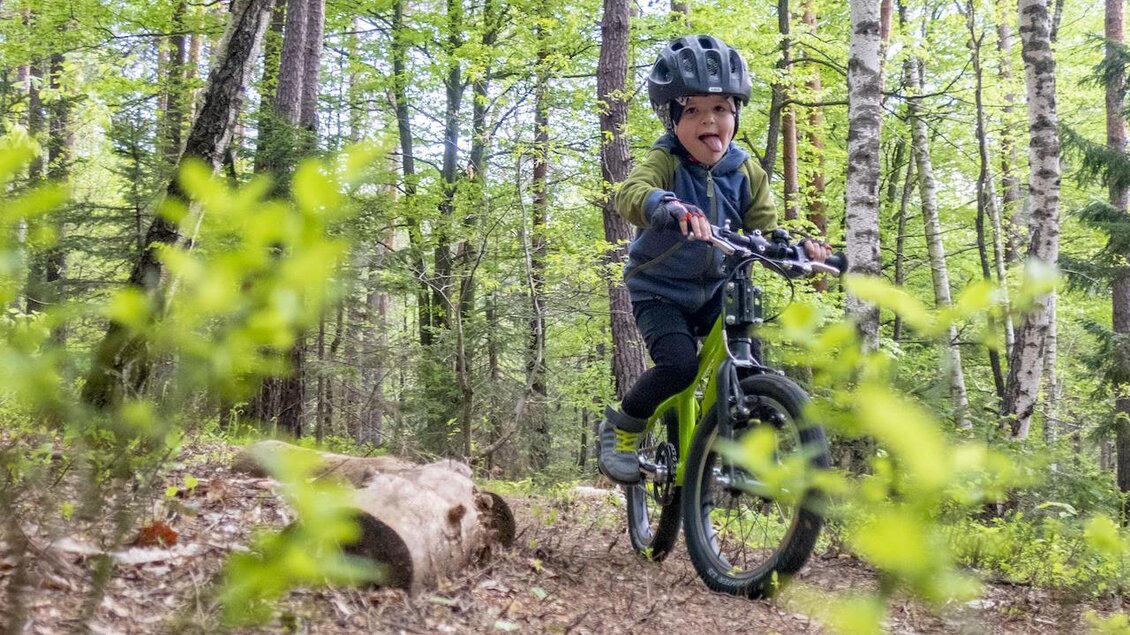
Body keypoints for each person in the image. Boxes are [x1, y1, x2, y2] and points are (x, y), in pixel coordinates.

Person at [598, 34, 829, 485]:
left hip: (721, 289)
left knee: (750, 361)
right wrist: (666, 206)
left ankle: (744, 443)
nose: (710, 120)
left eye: (721, 108)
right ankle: (623, 428)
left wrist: (800, 248)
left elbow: (764, 225)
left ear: (736, 115)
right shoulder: (665, 159)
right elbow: (631, 193)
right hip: (660, 292)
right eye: (693, 111)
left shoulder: (745, 170)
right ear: (672, 119)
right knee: (680, 366)